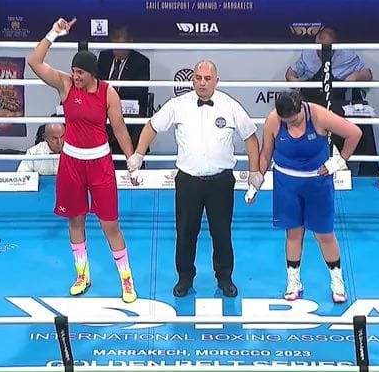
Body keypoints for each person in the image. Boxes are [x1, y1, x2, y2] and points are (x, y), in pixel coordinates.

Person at [126, 60, 263, 298]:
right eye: (198, 78)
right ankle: (185, 278)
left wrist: (254, 172)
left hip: (221, 182)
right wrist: (138, 154)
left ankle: (224, 278)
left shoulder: (230, 105)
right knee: (185, 233)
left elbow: (250, 137)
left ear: (216, 81)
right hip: (188, 182)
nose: (202, 82)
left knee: (222, 233)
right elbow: (151, 127)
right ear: (192, 80)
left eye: (207, 78)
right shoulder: (177, 105)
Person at [27, 17, 139, 303]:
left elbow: (119, 129)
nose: (75, 76)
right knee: (75, 221)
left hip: (100, 163)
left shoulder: (108, 93)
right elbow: (34, 62)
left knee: (110, 224)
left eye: (79, 72)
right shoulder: (65, 85)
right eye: (73, 71)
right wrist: (53, 33)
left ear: (91, 74)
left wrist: (132, 160)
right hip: (72, 163)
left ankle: (126, 280)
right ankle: (82, 275)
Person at [257, 90, 362, 303]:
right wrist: (257, 179)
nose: (291, 124)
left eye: (294, 120)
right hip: (286, 183)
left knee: (324, 234)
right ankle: (293, 281)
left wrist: (339, 161)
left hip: (317, 183)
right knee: (293, 233)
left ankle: (337, 280)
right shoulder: (273, 120)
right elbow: (266, 153)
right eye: (286, 121)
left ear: (301, 109)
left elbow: (354, 133)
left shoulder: (318, 115)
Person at [285, 27, 378, 176]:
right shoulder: (307, 54)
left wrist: (356, 76)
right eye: (319, 48)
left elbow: (368, 74)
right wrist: (295, 81)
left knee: (362, 124)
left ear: (335, 45)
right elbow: (290, 73)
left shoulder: (347, 55)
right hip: (313, 105)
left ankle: (367, 174)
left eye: (327, 48)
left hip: (339, 104)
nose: (322, 52)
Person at [97, 26, 151, 170]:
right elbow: (96, 84)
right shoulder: (104, 57)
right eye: (114, 45)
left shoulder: (141, 62)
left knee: (132, 127)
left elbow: (140, 92)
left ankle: (132, 166)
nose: (117, 50)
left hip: (127, 112)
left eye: (120, 45)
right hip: (103, 110)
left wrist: (113, 97)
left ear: (129, 42)